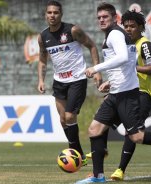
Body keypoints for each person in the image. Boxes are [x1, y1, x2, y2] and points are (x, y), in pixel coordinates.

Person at [75, 3, 151, 183]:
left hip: (132, 94)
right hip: (117, 93)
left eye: (105, 17)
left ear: (114, 19)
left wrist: (96, 68)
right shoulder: (117, 36)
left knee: (136, 136)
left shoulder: (119, 36)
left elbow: (126, 60)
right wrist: (110, 82)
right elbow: (126, 64)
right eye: (99, 17)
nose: (101, 20)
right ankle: (98, 176)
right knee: (95, 129)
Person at [37, 0, 102, 166]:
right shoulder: (43, 36)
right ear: (45, 15)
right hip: (59, 81)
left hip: (77, 80)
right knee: (62, 120)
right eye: (49, 13)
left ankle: (75, 156)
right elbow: (42, 60)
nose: (52, 16)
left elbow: (92, 46)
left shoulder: (73, 30)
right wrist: (41, 80)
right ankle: (80, 156)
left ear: (61, 14)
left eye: (56, 12)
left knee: (69, 116)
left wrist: (96, 69)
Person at [109, 10, 151, 181]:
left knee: (132, 132)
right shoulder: (124, 46)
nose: (129, 29)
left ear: (140, 27)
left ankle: (120, 170)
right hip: (125, 92)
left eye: (132, 26)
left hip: (143, 93)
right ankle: (97, 161)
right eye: (126, 26)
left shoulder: (145, 45)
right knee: (104, 121)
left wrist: (135, 68)